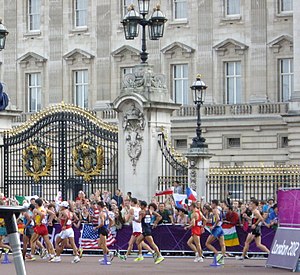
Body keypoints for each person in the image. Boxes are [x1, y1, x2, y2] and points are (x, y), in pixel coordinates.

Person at [205, 199, 226, 265]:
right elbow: (221, 219)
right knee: (222, 244)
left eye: (211, 204)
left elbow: (218, 219)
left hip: (216, 228)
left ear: (214, 204)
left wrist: (213, 226)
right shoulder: (220, 209)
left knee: (207, 243)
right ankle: (221, 259)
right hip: (220, 228)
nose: (211, 205)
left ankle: (217, 254)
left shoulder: (215, 210)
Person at [93, 201, 114, 265]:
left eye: (97, 206)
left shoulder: (102, 213)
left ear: (99, 206)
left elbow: (102, 223)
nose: (97, 207)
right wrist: (109, 227)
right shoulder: (106, 213)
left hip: (102, 229)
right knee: (100, 245)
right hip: (105, 229)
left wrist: (96, 227)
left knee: (104, 245)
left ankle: (105, 259)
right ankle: (109, 253)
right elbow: (111, 220)